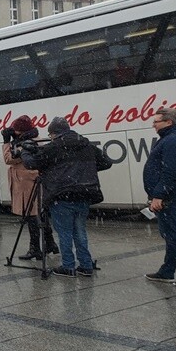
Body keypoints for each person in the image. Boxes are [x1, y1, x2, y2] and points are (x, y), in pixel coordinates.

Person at [22, 116, 112, 278]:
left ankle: (68, 266)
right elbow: (106, 162)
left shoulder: (54, 147)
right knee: (80, 231)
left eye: (50, 136)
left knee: (64, 232)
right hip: (85, 193)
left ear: (53, 133)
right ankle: (85, 266)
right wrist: (84, 171)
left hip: (62, 194)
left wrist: (25, 152)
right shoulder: (86, 144)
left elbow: (31, 163)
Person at [2, 115, 58, 260]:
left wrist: (6, 142)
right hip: (32, 180)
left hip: (26, 182)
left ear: (20, 131)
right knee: (40, 213)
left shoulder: (26, 144)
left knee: (31, 216)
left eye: (15, 130)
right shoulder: (35, 140)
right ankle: (50, 243)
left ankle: (35, 248)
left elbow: (9, 159)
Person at [142, 108, 176, 284]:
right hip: (173, 194)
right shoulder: (171, 138)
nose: (153, 125)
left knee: (171, 233)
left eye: (156, 122)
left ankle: (167, 270)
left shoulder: (171, 140)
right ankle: (167, 271)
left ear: (168, 122)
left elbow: (170, 171)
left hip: (170, 196)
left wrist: (159, 195)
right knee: (171, 234)